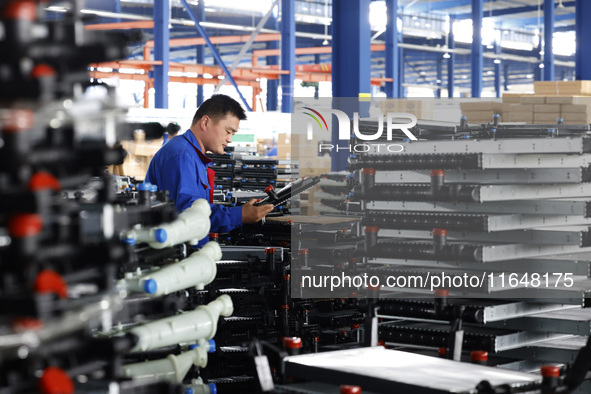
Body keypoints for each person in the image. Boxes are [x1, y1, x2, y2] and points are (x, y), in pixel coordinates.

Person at [145, 94, 274, 243]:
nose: (230, 139)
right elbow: (189, 215)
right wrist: (239, 215)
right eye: (228, 131)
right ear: (205, 122)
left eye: (232, 134)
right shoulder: (181, 156)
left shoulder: (193, 156)